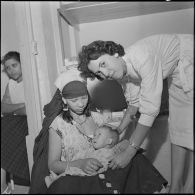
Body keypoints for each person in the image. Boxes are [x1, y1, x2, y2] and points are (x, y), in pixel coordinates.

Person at [77, 34, 193, 193]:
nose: (105, 73)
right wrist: (117, 131)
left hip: (189, 57)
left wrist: (129, 152)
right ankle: (176, 187)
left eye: (103, 64)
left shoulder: (142, 56)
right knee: (178, 129)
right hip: (176, 72)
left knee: (191, 129)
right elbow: (133, 105)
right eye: (99, 73)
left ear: (114, 53)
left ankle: (188, 188)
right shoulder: (119, 72)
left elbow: (149, 110)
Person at [30, 68, 167, 194]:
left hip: (102, 169)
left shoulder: (97, 118)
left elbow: (112, 141)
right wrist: (81, 164)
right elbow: (53, 164)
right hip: (79, 176)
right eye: (74, 100)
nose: (80, 104)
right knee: (63, 186)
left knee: (136, 159)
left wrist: (122, 147)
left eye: (84, 98)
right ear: (65, 100)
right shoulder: (58, 125)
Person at [45, 125, 120, 187]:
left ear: (109, 141)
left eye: (99, 135)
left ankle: (55, 182)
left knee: (72, 174)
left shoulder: (109, 153)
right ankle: (56, 182)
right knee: (71, 172)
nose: (95, 137)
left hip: (92, 176)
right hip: (84, 171)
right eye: (94, 135)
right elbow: (82, 156)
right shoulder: (92, 149)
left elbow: (107, 165)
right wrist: (71, 157)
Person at [1, 51, 30, 194]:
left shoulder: (30, 81)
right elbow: (3, 107)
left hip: (26, 123)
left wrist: (13, 110)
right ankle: (2, 184)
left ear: (22, 63)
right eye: (8, 68)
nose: (11, 70)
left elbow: (29, 111)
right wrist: (19, 106)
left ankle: (5, 185)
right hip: (14, 120)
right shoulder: (10, 84)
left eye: (14, 65)